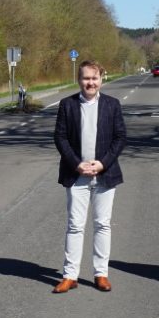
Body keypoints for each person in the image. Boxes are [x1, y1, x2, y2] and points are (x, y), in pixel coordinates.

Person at [52, 60, 126, 294]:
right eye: (86, 78)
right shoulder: (67, 105)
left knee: (102, 224)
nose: (90, 83)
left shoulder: (112, 105)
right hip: (76, 176)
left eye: (94, 78)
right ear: (79, 80)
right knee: (75, 226)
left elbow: (120, 138)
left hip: (105, 175)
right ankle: (70, 275)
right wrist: (77, 164)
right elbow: (60, 137)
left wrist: (102, 164)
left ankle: (100, 273)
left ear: (101, 80)